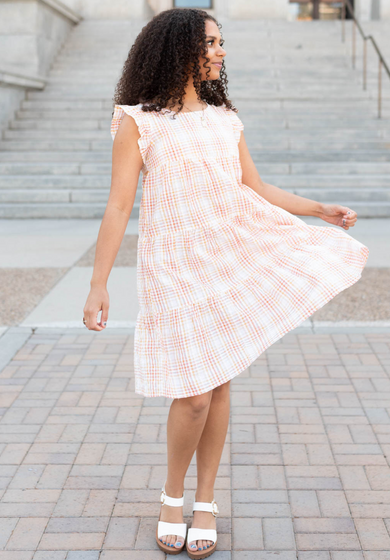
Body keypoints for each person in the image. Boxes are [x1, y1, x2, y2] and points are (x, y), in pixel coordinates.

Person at [82, 7, 369, 559]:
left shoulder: (224, 117)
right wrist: (98, 284)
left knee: (217, 382)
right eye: (211, 43)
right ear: (177, 49)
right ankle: (172, 494)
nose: (221, 51)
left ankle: (206, 498)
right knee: (191, 397)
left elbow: (255, 185)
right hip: (172, 266)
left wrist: (318, 209)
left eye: (221, 42)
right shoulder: (138, 120)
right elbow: (119, 205)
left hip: (226, 257)